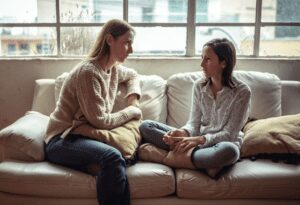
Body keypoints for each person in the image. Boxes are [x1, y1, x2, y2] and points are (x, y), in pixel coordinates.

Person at [44, 19, 142, 205]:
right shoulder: (89, 72)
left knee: (121, 156)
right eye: (127, 42)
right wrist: (132, 111)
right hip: (61, 139)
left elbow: (133, 75)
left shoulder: (112, 69)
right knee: (112, 156)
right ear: (109, 40)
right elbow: (100, 121)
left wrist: (133, 98)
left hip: (83, 135)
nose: (131, 49)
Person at [139, 38, 251, 175]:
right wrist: (183, 133)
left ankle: (167, 158)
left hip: (221, 143)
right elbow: (194, 122)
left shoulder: (242, 92)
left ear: (224, 63)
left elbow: (229, 134)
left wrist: (197, 140)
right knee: (146, 126)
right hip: (196, 140)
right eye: (202, 58)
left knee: (230, 152)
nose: (202, 64)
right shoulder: (199, 86)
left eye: (207, 59)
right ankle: (200, 161)